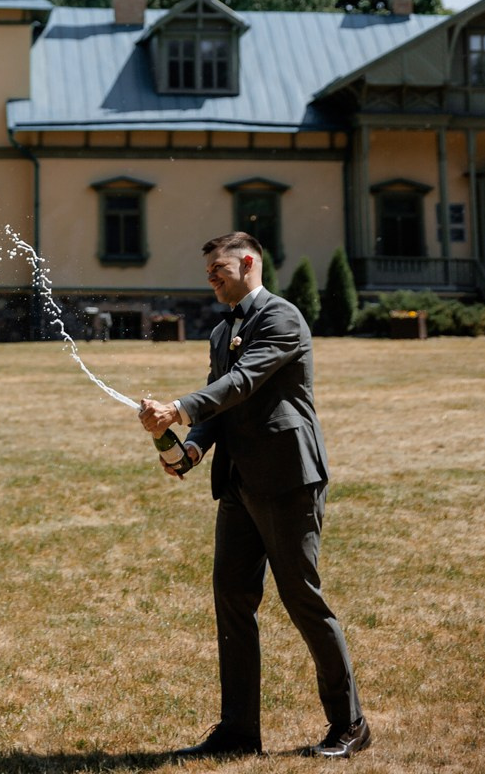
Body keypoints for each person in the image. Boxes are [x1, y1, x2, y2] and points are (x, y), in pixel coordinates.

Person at [138, 232, 368, 762]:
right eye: (207, 274)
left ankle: (350, 723)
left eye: (218, 270)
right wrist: (191, 448)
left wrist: (179, 408)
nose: (212, 280)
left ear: (247, 263)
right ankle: (239, 731)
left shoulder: (282, 317)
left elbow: (242, 382)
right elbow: (221, 404)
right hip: (238, 482)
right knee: (232, 598)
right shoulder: (223, 330)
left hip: (287, 477)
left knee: (302, 598)